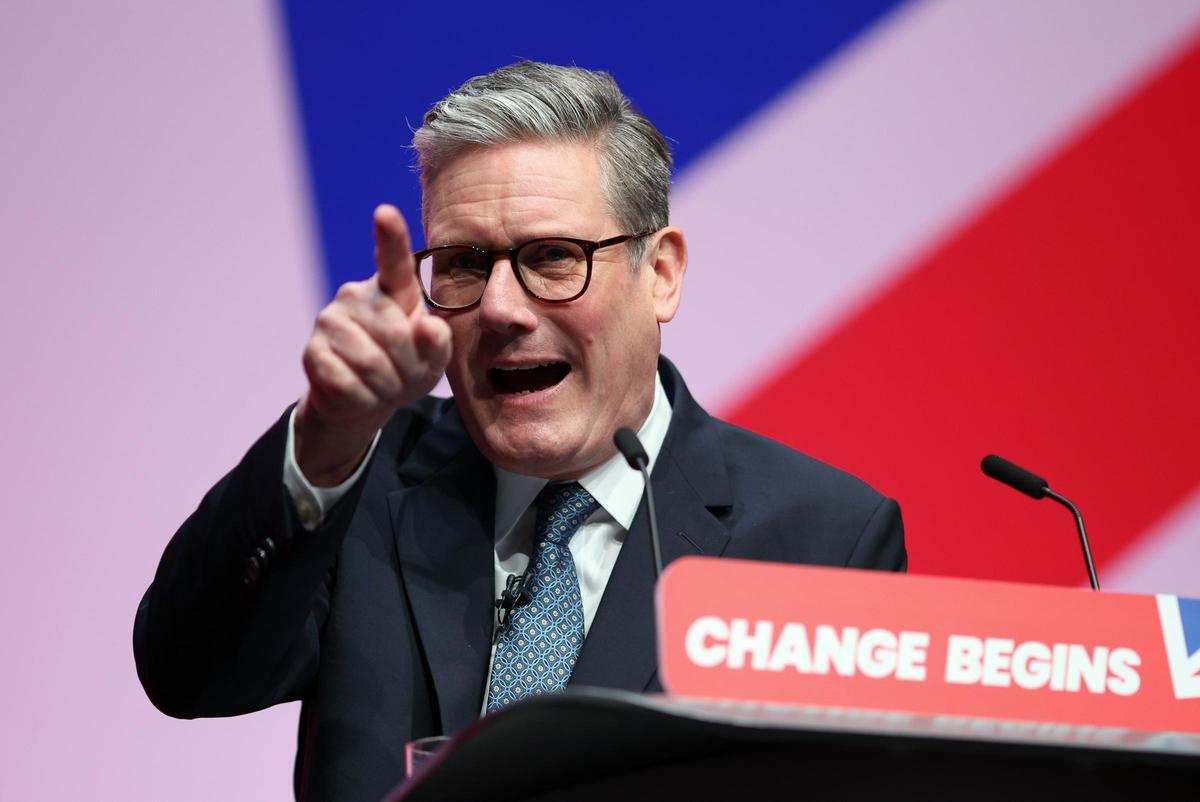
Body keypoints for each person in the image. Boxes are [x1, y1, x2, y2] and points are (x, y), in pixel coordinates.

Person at [134, 61, 906, 802]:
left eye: (552, 257)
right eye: (466, 264)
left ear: (661, 273)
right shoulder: (362, 478)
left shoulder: (820, 540)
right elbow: (187, 674)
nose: (502, 308)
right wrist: (327, 437)